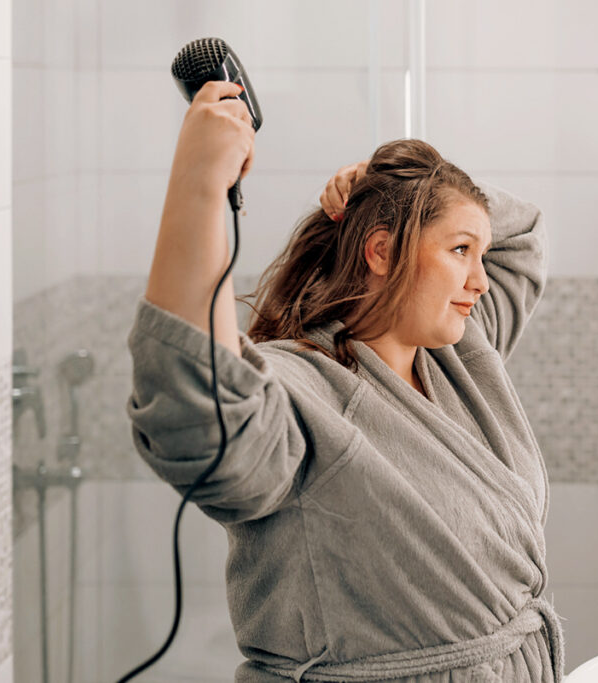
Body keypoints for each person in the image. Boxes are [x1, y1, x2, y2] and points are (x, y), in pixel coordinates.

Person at [127, 80, 564, 682]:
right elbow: (200, 415)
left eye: (480, 254)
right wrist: (198, 185)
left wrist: (397, 190)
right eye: (461, 250)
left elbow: (524, 236)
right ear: (381, 252)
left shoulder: (460, 354)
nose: (481, 279)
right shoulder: (300, 389)